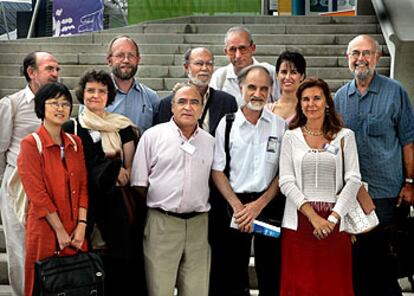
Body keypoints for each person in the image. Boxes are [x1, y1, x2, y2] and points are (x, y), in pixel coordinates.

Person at [334, 34, 414, 296]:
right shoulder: (339, 98)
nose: (361, 59)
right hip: (351, 196)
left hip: (387, 195)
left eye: (366, 53)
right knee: (356, 265)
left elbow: (408, 141)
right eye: (355, 53)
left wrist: (410, 183)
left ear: (378, 57)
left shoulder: (395, 92)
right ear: (348, 59)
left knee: (386, 267)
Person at [62, 69, 144, 295]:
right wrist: (110, 167)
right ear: (82, 93)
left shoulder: (123, 126)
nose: (95, 95)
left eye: (101, 91)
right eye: (90, 90)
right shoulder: (72, 128)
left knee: (119, 266)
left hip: (118, 206)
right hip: (86, 206)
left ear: (109, 96)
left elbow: (129, 170)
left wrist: (118, 169)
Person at [131, 82, 214, 296]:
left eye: (194, 102)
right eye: (182, 102)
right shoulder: (152, 136)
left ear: (202, 106)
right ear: (172, 107)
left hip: (198, 225)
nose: (188, 107)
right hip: (162, 224)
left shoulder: (210, 142)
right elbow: (139, 184)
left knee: (197, 290)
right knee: (159, 290)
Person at [279, 77, 360, 296]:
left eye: (316, 98)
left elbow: (353, 180)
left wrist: (332, 219)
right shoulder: (290, 137)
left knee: (334, 284)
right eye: (305, 99)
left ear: (326, 102)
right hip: (298, 222)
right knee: (299, 285)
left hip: (335, 222)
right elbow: (286, 181)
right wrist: (314, 217)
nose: (311, 104)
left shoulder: (345, 136)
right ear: (299, 104)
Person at [211, 65, 286, 296]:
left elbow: (283, 172)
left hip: (268, 205)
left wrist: (259, 205)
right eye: (252, 87)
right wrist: (238, 207)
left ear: (271, 90)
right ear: (241, 88)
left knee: (270, 270)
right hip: (235, 207)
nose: (258, 93)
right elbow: (217, 170)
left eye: (264, 88)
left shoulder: (278, 124)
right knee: (233, 272)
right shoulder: (228, 123)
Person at [17, 82, 88, 296]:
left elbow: (83, 185)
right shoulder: (31, 144)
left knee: (76, 285)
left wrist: (82, 226)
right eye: (54, 103)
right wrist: (59, 230)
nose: (60, 108)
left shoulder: (75, 142)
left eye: (65, 104)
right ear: (41, 107)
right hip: (46, 229)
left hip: (76, 229)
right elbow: (37, 194)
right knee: (43, 286)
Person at [0, 51, 60, 296]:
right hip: (18, 185)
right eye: (50, 69)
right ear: (31, 72)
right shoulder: (11, 104)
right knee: (19, 249)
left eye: (57, 69)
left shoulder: (59, 104)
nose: (56, 74)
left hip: (52, 186)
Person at [156, 47, 238, 135]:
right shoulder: (167, 104)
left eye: (209, 64)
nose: (205, 68)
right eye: (199, 64)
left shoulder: (227, 101)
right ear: (187, 67)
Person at [210, 26, 279, 106]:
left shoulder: (269, 72)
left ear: (253, 48)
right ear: (226, 52)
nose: (238, 55)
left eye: (242, 48)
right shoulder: (219, 77)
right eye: (232, 49)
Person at [106, 35, 160, 132]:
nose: (126, 60)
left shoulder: (151, 98)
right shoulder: (95, 96)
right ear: (110, 61)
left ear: (138, 60)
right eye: (120, 55)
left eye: (131, 55)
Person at [266, 50, 306, 123]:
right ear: (277, 75)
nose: (287, 77)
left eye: (293, 72)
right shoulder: (267, 110)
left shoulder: (308, 110)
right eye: (284, 72)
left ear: (302, 77)